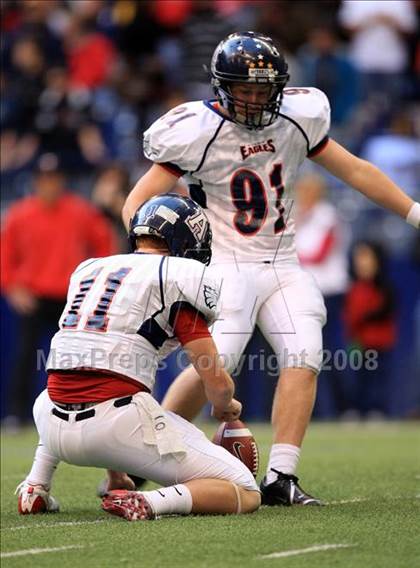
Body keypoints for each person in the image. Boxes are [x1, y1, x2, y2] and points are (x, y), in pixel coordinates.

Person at [121, 31, 420, 506]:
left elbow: (357, 170)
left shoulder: (297, 118)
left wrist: (413, 211)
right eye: (247, 89)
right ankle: (137, 462)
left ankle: (282, 476)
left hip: (283, 261)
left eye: (265, 89)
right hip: (224, 265)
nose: (257, 99)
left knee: (306, 355)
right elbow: (138, 202)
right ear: (222, 85)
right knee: (210, 369)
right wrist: (148, 257)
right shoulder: (197, 130)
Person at [16, 194, 260, 521]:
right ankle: (150, 502)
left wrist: (116, 471)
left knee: (80, 382)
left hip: (48, 418)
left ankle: (36, 485)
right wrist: (223, 404)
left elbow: (93, 359)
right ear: (187, 242)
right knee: (245, 490)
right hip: (114, 423)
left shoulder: (93, 269)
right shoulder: (177, 276)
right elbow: (214, 380)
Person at [1, 154, 117, 429]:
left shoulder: (80, 211)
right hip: (34, 296)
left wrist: (93, 283)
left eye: (53, 179)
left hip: (70, 298)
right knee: (26, 356)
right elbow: (5, 255)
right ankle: (17, 415)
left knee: (73, 359)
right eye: (43, 179)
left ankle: (75, 411)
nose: (49, 184)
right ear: (35, 181)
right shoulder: (20, 213)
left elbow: (104, 245)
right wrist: (13, 287)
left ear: (62, 181)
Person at [295, 173, 350, 418]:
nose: (303, 197)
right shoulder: (297, 216)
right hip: (307, 290)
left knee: (330, 351)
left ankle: (342, 407)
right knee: (311, 352)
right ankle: (321, 409)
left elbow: (319, 254)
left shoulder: (327, 216)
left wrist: (290, 256)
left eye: (308, 192)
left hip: (329, 292)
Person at [343, 240, 397, 418]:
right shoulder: (353, 288)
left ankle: (378, 409)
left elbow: (385, 311)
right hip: (360, 344)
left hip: (379, 344)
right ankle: (357, 409)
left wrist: (365, 317)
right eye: (359, 257)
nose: (362, 262)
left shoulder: (385, 288)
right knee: (358, 378)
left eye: (366, 256)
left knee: (378, 378)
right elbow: (349, 316)